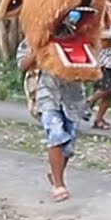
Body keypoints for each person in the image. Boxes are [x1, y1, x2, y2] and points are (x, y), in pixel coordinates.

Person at [16, 20, 91, 202]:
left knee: (69, 144)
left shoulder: (74, 33)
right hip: (46, 92)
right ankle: (59, 184)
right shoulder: (34, 37)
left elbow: (87, 59)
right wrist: (39, 50)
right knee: (55, 134)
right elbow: (22, 65)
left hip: (72, 95)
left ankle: (55, 173)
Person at [87, 40, 111, 130]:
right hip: (101, 58)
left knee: (110, 92)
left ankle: (99, 119)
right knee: (106, 88)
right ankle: (88, 102)